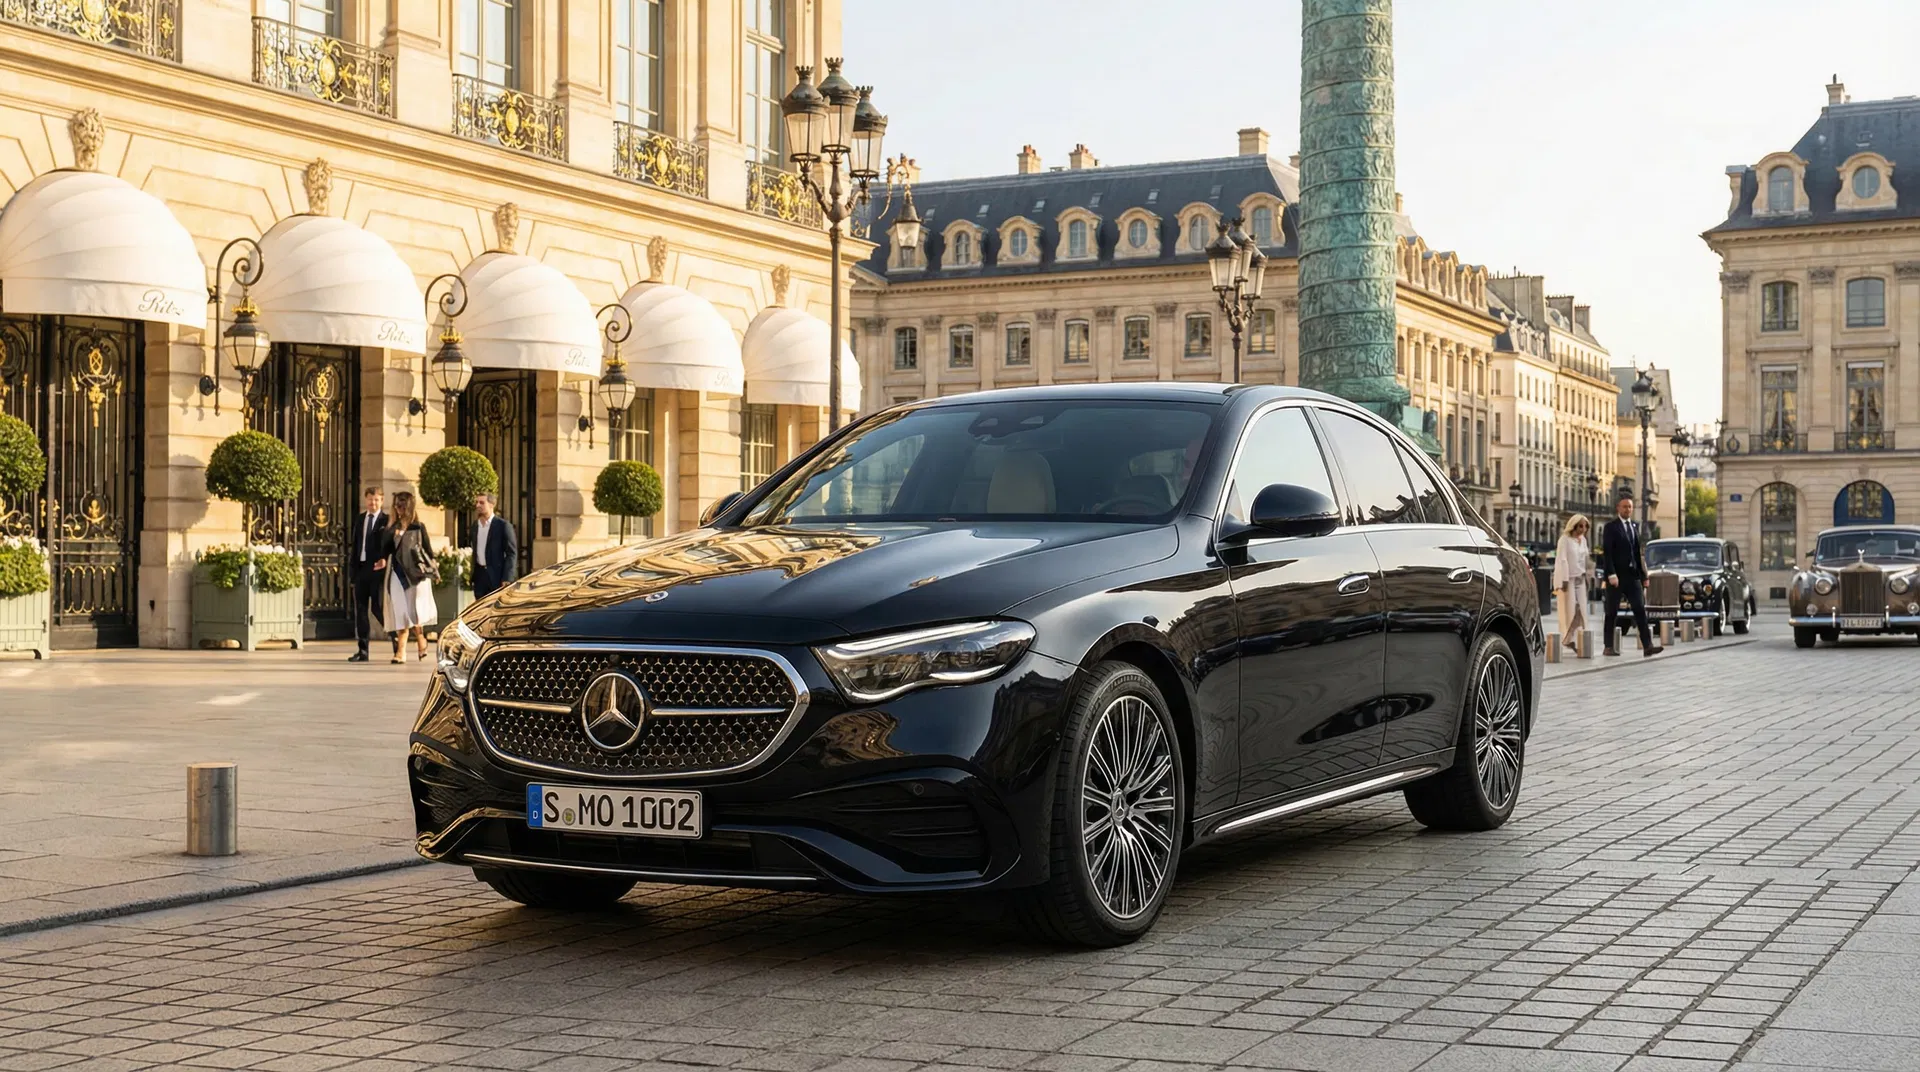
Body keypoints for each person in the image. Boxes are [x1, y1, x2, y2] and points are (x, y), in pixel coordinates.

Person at [1600, 494, 1662, 658]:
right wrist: (1611, 574)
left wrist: (1643, 575)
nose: (1627, 509)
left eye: (1630, 507)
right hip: (1617, 577)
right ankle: (1608, 646)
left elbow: (1637, 553)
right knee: (1611, 612)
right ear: (1618, 508)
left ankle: (1647, 646)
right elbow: (1607, 553)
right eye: (1624, 506)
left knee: (1640, 610)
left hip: (1632, 576)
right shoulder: (1611, 527)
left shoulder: (1634, 526)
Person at [381, 491, 438, 664]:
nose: (398, 509)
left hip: (416, 575)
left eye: (402, 506)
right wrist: (392, 532)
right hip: (397, 573)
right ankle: (401, 651)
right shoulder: (391, 526)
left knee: (415, 611)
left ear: (409, 507)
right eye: (396, 506)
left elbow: (428, 551)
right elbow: (384, 550)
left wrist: (435, 569)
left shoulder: (418, 527)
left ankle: (421, 639)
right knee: (400, 611)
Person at [346, 486, 387, 663]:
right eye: (370, 499)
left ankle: (397, 641)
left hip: (377, 569)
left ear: (382, 501)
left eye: (376, 500)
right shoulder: (361, 518)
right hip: (361, 568)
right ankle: (363, 651)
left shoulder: (386, 520)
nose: (373, 503)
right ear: (366, 500)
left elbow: (390, 544)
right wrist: (352, 572)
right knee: (361, 611)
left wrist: (384, 559)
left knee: (378, 608)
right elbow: (355, 545)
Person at [1554, 513, 1592, 652]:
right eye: (1580, 526)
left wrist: (1589, 576)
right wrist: (1563, 579)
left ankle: (1580, 637)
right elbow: (1562, 560)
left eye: (1585, 526)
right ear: (1574, 525)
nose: (1583, 529)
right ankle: (1568, 639)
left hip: (1580, 578)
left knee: (1581, 609)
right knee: (1568, 609)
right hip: (1568, 579)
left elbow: (1586, 559)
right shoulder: (1564, 540)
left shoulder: (1583, 541)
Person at [471, 491, 519, 599]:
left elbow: (511, 553)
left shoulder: (503, 526)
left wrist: (508, 577)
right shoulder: (475, 526)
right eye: (477, 502)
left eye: (482, 503)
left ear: (491, 505)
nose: (477, 505)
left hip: (497, 577)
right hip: (480, 577)